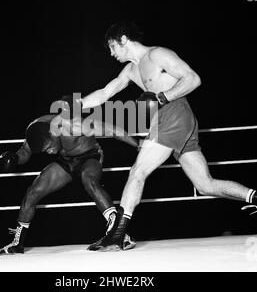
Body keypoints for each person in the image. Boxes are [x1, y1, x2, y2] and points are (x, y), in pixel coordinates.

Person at [80, 21, 257, 251]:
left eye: (113, 46)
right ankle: (254, 196)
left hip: (174, 114)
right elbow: (105, 93)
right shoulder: (131, 70)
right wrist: (74, 105)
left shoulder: (158, 55)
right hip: (170, 120)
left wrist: (163, 97)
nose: (111, 53)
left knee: (138, 171)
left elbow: (193, 79)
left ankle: (117, 235)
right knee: (205, 185)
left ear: (124, 39)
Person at [0, 100, 139, 255]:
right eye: (46, 151)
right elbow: (24, 152)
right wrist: (14, 158)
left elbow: (111, 129)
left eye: (51, 147)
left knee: (89, 179)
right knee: (33, 191)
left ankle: (119, 234)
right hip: (65, 161)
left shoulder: (73, 125)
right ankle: (17, 243)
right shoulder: (35, 130)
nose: (50, 152)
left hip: (89, 155)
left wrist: (137, 144)